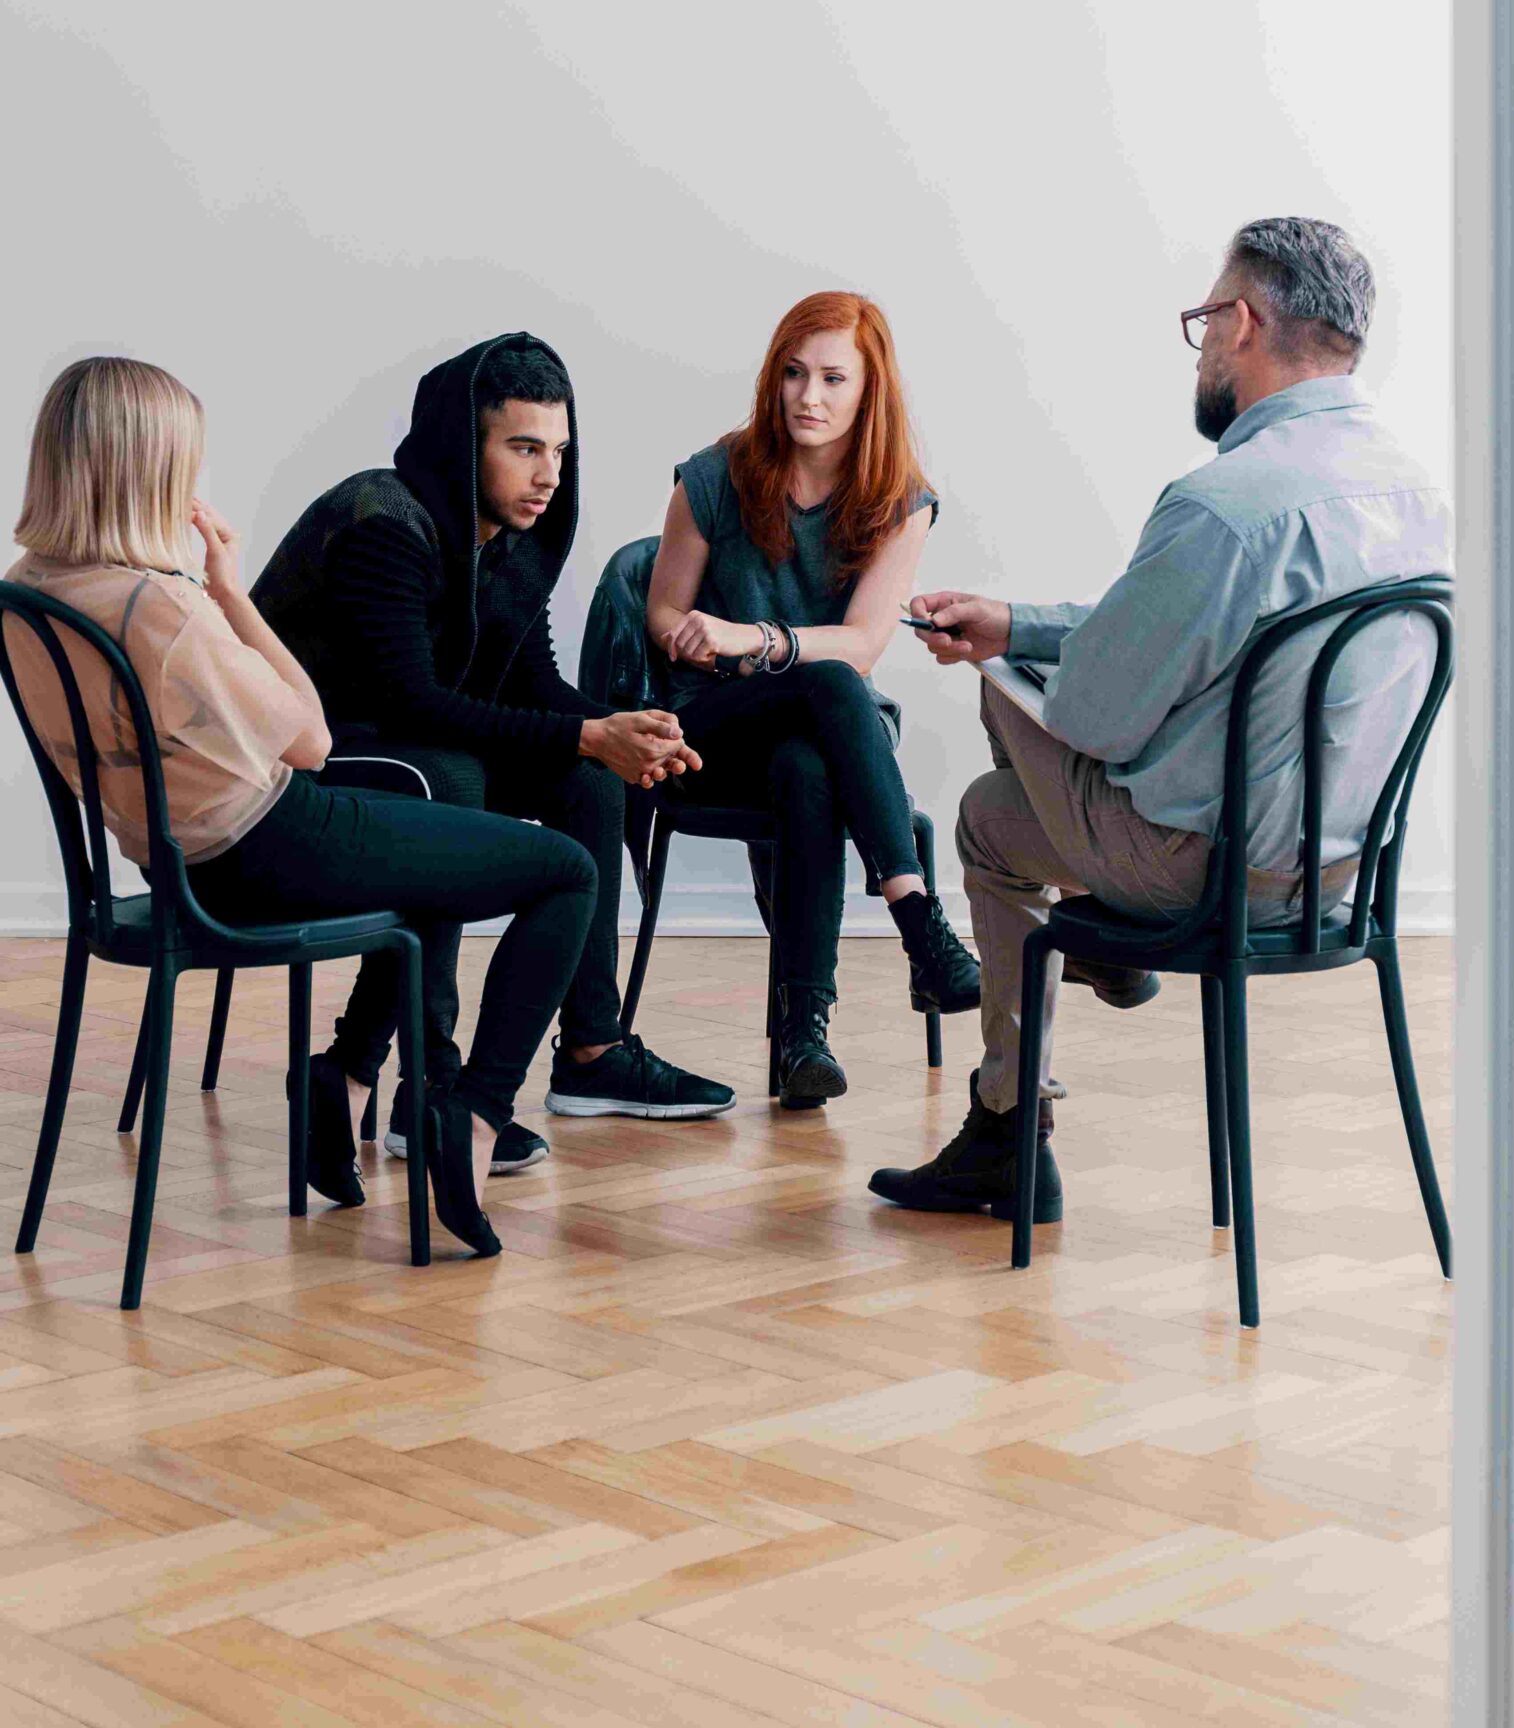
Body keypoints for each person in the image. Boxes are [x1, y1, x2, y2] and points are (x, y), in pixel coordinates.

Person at [867, 217, 1453, 1225]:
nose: (1201, 346)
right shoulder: (1418, 492)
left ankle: (1010, 1125)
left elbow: (1098, 716)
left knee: (989, 804)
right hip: (1341, 876)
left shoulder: (1225, 503)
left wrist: (1005, 651)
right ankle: (1091, 956)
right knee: (1021, 688)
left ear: (1244, 321)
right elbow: (1196, 642)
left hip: (1205, 874)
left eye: (1204, 320)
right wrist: (1023, 620)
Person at [5, 355, 606, 1257]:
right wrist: (228, 594)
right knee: (566, 870)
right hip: (270, 846)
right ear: (148, 467)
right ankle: (474, 1116)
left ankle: (351, 1079)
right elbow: (312, 741)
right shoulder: (162, 608)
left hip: (174, 866)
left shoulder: (29, 590)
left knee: (444, 830)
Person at [251, 333, 733, 1156]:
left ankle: (592, 1050)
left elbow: (530, 682)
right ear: (462, 444)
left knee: (589, 780)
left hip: (408, 747)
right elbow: (411, 699)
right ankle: (427, 1088)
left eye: (558, 451)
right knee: (453, 780)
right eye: (523, 448)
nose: (549, 475)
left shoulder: (506, 537)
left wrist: (625, 733)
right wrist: (589, 733)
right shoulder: (382, 520)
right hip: (300, 762)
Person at [648, 291, 981, 1109]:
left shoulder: (899, 500)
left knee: (808, 762)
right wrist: (695, 637)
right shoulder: (715, 475)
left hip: (827, 737)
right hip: (712, 723)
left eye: (833, 379)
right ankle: (920, 926)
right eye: (793, 374)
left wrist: (753, 637)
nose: (808, 397)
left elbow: (864, 642)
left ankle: (803, 1037)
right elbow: (660, 609)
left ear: (869, 391)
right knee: (830, 681)